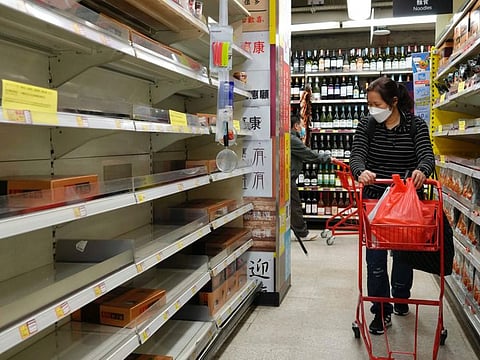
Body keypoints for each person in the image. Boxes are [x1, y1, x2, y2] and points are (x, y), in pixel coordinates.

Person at [349, 76, 435, 335]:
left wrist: (422, 170)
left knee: (403, 253)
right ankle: (381, 310)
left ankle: (400, 295)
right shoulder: (367, 125)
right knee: (375, 257)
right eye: (369, 104)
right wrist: (360, 171)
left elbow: (426, 155)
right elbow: (357, 155)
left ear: (393, 102)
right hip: (375, 200)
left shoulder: (415, 126)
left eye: (376, 104)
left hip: (406, 201)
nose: (371, 109)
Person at [290, 115, 330, 241]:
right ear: (296, 126)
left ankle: (299, 231)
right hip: (287, 178)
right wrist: (328, 158)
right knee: (294, 205)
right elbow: (309, 154)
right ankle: (302, 233)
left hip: (289, 176)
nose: (303, 128)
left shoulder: (292, 138)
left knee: (292, 205)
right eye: (301, 125)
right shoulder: (292, 139)